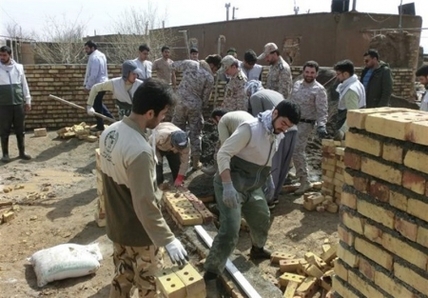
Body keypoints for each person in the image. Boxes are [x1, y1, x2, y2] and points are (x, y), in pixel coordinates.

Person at [99, 78, 188, 298]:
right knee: (149, 287)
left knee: (122, 279)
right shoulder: (139, 151)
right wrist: (168, 239)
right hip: (140, 235)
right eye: (163, 113)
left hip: (117, 225)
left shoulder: (110, 132)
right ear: (150, 113)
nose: (164, 118)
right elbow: (144, 203)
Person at [203, 100, 301, 297]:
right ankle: (211, 274)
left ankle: (257, 249)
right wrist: (228, 186)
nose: (284, 129)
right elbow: (223, 154)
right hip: (231, 183)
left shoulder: (277, 133)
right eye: (283, 123)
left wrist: (268, 179)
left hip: (252, 185)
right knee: (230, 231)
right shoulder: (250, 129)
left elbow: (267, 156)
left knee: (262, 216)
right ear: (274, 113)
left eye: (288, 127)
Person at [247, 84, 298, 208]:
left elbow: (259, 120)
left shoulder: (255, 97)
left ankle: (268, 199)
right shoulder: (274, 92)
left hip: (280, 130)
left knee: (273, 165)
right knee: (283, 165)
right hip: (292, 129)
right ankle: (275, 196)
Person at [172, 54, 222, 170]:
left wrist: (175, 85)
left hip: (179, 102)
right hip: (195, 106)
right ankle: (195, 162)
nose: (214, 71)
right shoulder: (209, 78)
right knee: (195, 133)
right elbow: (206, 98)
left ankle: (177, 161)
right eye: (215, 69)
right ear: (212, 65)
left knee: (176, 131)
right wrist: (200, 106)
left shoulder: (191, 63)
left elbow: (173, 66)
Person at [291, 61, 328, 195]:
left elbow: (322, 110)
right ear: (303, 72)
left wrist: (321, 125)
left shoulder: (319, 90)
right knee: (287, 148)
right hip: (292, 123)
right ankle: (292, 174)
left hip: (306, 125)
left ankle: (304, 181)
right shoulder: (296, 85)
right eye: (307, 72)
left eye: (312, 73)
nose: (309, 75)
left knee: (297, 151)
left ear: (316, 74)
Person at [0, 45, 32, 162]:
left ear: (10, 55)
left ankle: (22, 152)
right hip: (3, 105)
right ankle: (5, 154)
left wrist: (27, 100)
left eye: (4, 55)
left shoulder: (18, 67)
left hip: (18, 103)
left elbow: (24, 84)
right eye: (0, 55)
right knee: (4, 130)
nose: (2, 57)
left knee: (20, 129)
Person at [201, 109, 254, 176]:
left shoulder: (222, 120)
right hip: (257, 134)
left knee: (222, 148)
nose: (215, 124)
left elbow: (224, 143)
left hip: (245, 134)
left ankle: (219, 171)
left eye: (214, 122)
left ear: (217, 117)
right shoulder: (237, 114)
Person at [83, 40, 113, 131]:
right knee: (98, 103)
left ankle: (101, 125)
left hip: (98, 84)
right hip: (103, 83)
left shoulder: (94, 57)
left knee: (96, 105)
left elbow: (94, 74)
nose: (86, 50)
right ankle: (112, 120)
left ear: (93, 48)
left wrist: (88, 86)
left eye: (87, 48)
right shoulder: (101, 55)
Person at [150, 122, 190, 187]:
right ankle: (158, 187)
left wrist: (180, 177)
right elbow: (151, 149)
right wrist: (158, 160)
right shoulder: (159, 136)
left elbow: (185, 161)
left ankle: (177, 186)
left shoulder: (185, 142)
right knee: (157, 171)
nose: (178, 150)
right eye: (178, 148)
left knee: (177, 167)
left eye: (180, 149)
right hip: (158, 147)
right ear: (173, 143)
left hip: (170, 147)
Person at [334, 60, 366, 140]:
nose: (337, 77)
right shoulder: (356, 83)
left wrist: (342, 131)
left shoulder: (350, 90)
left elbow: (352, 114)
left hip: (349, 129)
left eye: (338, 74)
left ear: (346, 74)